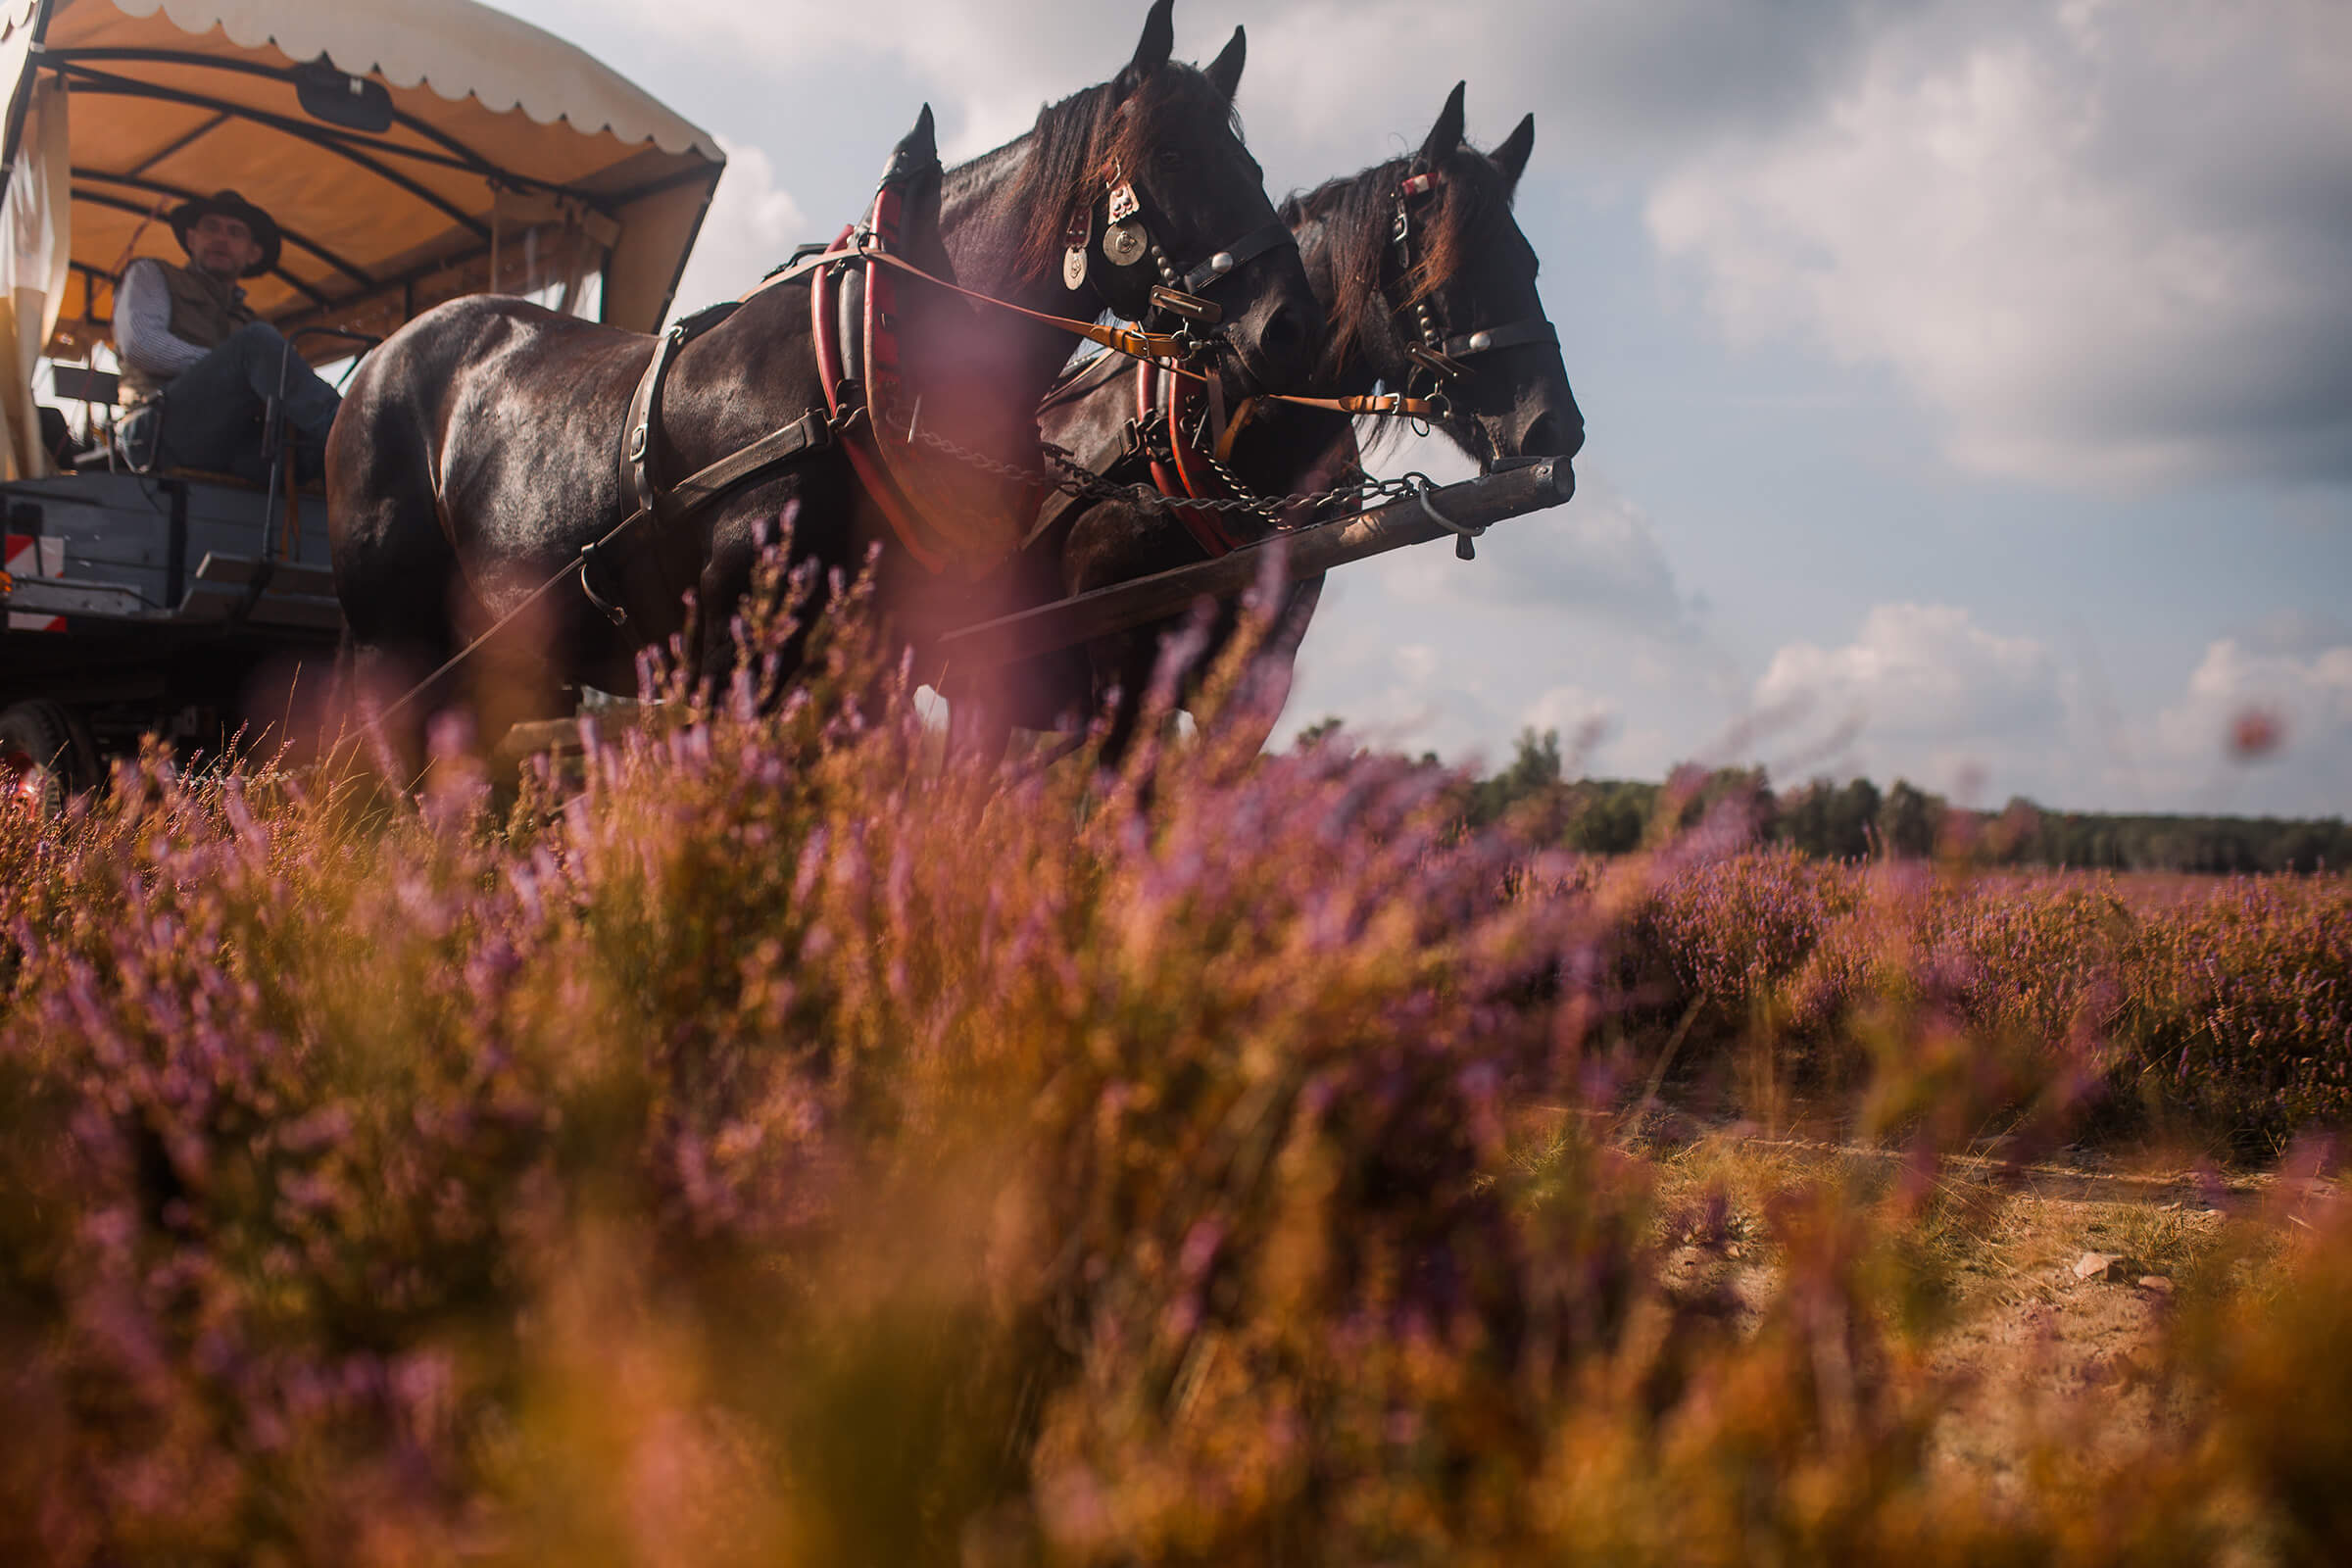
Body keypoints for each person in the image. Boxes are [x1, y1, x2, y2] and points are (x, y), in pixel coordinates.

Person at [113, 190, 341, 484]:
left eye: (235, 233)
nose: (221, 238)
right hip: (154, 433)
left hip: (232, 441)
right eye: (211, 227)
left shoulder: (251, 321)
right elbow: (141, 345)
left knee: (311, 448)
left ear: (252, 253)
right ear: (191, 238)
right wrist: (241, 368)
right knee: (258, 343)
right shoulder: (152, 274)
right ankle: (355, 431)